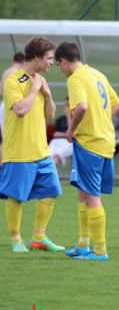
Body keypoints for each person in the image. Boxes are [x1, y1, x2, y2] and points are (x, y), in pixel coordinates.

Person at [56, 41, 119, 261]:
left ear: (63, 61)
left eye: (59, 65)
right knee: (83, 193)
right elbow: (117, 104)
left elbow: (82, 107)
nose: (61, 70)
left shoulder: (75, 78)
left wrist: (71, 129)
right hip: (105, 140)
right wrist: (100, 121)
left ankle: (100, 250)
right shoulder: (97, 74)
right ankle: (83, 244)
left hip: (90, 143)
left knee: (92, 197)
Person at [0, 36, 64, 253]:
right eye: (48, 58)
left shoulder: (40, 81)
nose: (52, 62)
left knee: (52, 191)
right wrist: (35, 89)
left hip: (41, 151)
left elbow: (50, 114)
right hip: (19, 152)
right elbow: (20, 110)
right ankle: (16, 240)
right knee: (16, 197)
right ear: (36, 57)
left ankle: (39, 237)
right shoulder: (13, 81)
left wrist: (46, 94)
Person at [0, 52, 26, 165]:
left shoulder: (6, 72)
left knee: (5, 136)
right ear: (23, 62)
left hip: (3, 105)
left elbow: (1, 92)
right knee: (8, 137)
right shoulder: (17, 74)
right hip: (12, 105)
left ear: (12, 60)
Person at [49, 97, 74, 166]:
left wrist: (69, 116)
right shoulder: (60, 119)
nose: (67, 107)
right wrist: (66, 134)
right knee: (48, 157)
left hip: (68, 142)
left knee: (57, 156)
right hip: (56, 141)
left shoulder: (75, 119)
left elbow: (72, 132)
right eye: (66, 105)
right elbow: (55, 134)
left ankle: (49, 174)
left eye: (68, 105)